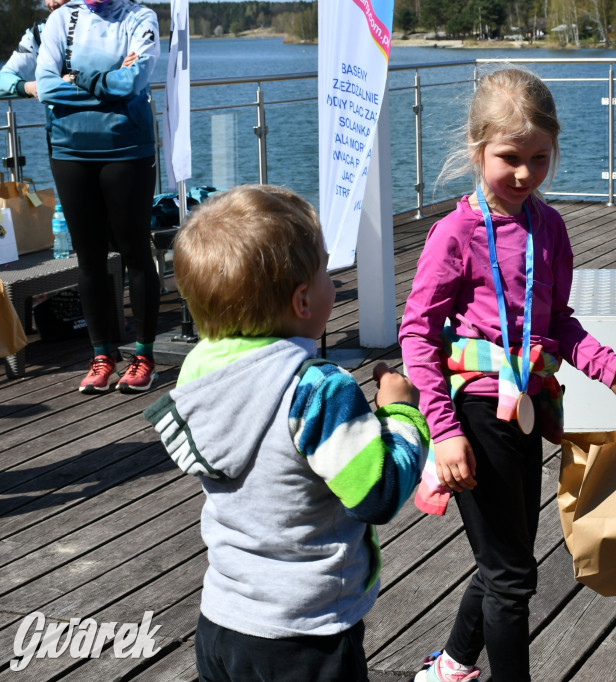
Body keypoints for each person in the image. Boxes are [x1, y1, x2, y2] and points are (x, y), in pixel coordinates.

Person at [399, 68, 616, 682]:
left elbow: (558, 322)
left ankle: (452, 666)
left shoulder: (550, 227)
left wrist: (611, 368)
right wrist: (444, 432)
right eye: (509, 158)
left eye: (539, 158)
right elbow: (417, 334)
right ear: (477, 148)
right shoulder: (455, 234)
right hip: (475, 413)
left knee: (505, 562)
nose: (524, 174)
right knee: (512, 575)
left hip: (527, 410)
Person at [143, 185, 430, 682]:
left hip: (223, 621)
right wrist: (401, 414)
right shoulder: (317, 390)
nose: (333, 285)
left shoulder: (198, 375)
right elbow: (378, 494)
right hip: (306, 633)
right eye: (326, 273)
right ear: (302, 300)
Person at [36, 0, 162, 394]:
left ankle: (144, 356)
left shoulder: (140, 17)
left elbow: (133, 83)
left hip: (127, 149)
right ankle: (102, 356)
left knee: (135, 253)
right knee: (88, 259)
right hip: (69, 150)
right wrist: (108, 83)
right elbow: (44, 85)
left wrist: (76, 78)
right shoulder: (61, 19)